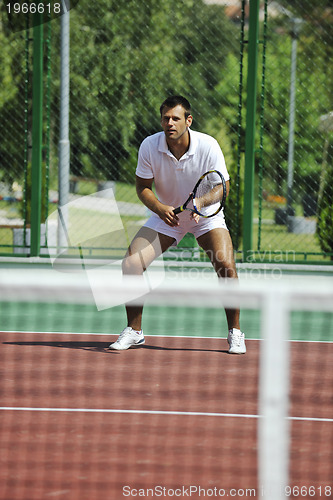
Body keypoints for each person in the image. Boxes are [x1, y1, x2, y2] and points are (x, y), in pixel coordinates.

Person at [109, 95, 246, 354]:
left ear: (188, 120)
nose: (170, 123)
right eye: (165, 118)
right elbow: (142, 188)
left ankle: (235, 333)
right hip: (167, 216)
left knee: (226, 265)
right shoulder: (149, 146)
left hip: (205, 217)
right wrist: (160, 208)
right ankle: (135, 331)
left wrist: (201, 203)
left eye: (175, 118)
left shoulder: (208, 145)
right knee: (131, 264)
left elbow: (223, 186)